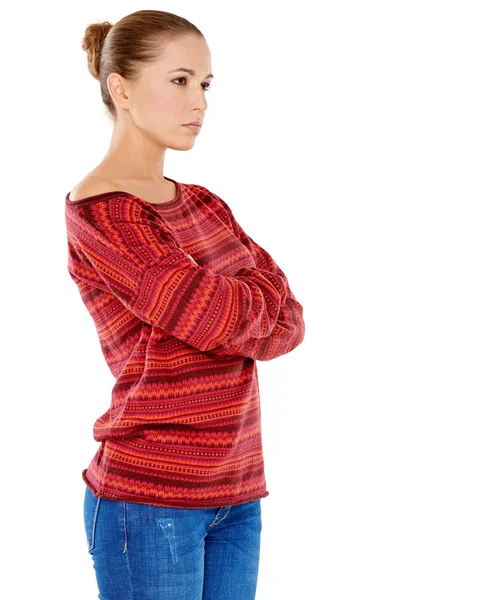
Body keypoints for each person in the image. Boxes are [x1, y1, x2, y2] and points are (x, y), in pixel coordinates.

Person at [64, 10, 305, 600]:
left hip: (237, 488)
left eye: (205, 84)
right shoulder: (106, 212)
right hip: (149, 498)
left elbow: (290, 321)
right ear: (121, 87)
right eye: (179, 80)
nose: (198, 100)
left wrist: (235, 306)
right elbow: (211, 313)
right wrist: (244, 303)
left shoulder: (203, 205)